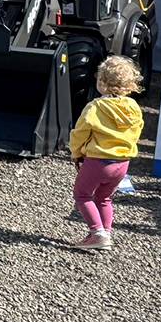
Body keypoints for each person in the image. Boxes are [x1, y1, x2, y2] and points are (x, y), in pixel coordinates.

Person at [67, 55, 145, 251]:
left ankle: (97, 234)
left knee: (82, 195)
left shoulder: (96, 107)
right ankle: (106, 232)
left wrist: (75, 152)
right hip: (122, 162)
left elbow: (80, 132)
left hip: (98, 161)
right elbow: (137, 130)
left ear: (101, 82)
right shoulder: (133, 107)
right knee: (104, 198)